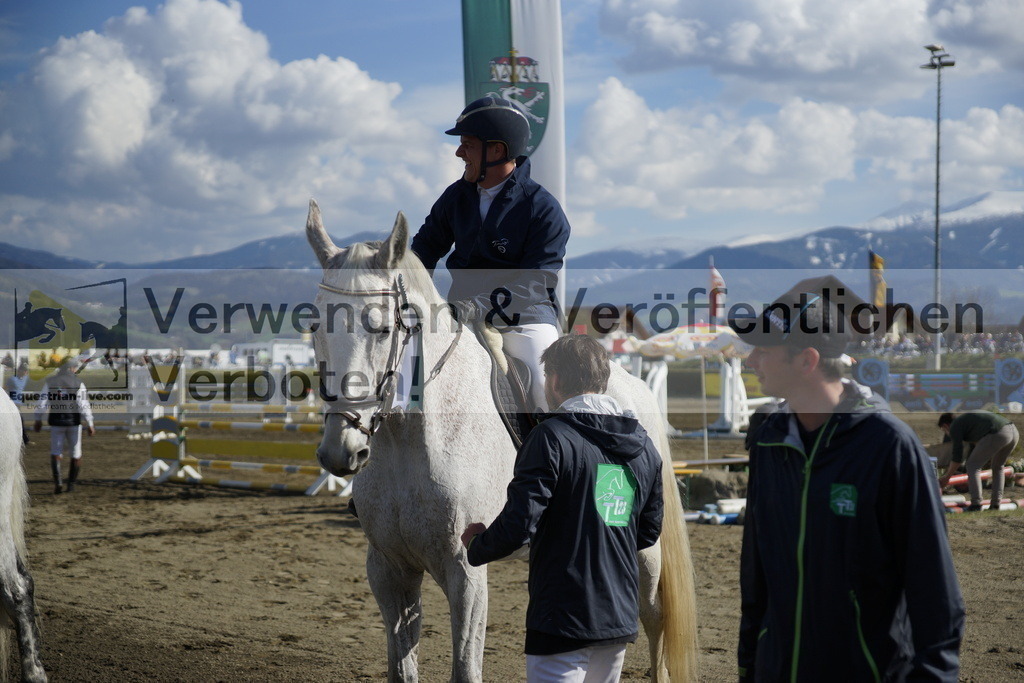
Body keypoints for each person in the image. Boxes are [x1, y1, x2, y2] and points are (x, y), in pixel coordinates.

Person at [728, 276, 964, 681]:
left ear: (807, 360)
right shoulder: (768, 442)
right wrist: (751, 665)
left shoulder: (889, 447)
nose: (750, 362)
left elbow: (934, 589)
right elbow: (757, 574)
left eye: (763, 351)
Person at [460, 334, 663, 682]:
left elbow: (521, 522)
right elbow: (646, 531)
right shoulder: (644, 446)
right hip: (618, 617)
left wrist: (478, 547)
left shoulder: (549, 437)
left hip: (561, 616)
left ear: (554, 379)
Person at [411, 94, 570, 411]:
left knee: (543, 389)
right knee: (404, 371)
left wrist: (475, 306)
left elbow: (536, 283)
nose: (459, 153)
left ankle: (553, 454)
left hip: (524, 319)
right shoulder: (455, 198)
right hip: (458, 315)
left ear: (497, 150)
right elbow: (422, 251)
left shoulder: (543, 209)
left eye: (467, 145)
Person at [937, 411, 1020, 511]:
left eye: (944, 430)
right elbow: (972, 450)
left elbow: (957, 457)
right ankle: (995, 504)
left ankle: (976, 503)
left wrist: (947, 477)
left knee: (972, 466)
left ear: (946, 425)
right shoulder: (967, 423)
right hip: (1013, 432)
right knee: (998, 467)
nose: (946, 433)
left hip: (998, 432)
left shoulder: (955, 426)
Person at [34, 359, 94, 494]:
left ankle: (58, 482)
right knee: (76, 454)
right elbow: (83, 405)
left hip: (56, 422)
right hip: (73, 422)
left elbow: (42, 403)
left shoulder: (50, 382)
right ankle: (71, 485)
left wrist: (38, 419)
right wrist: (90, 423)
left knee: (56, 452)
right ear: (72, 368)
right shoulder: (78, 383)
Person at [4, 361, 30, 444]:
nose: (25, 372)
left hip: (19, 403)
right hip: (12, 403)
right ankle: (25, 440)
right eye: (24, 370)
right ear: (19, 370)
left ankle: (19, 439)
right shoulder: (12, 379)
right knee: (20, 420)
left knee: (17, 421)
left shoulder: (25, 378)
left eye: (26, 370)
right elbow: (4, 389)